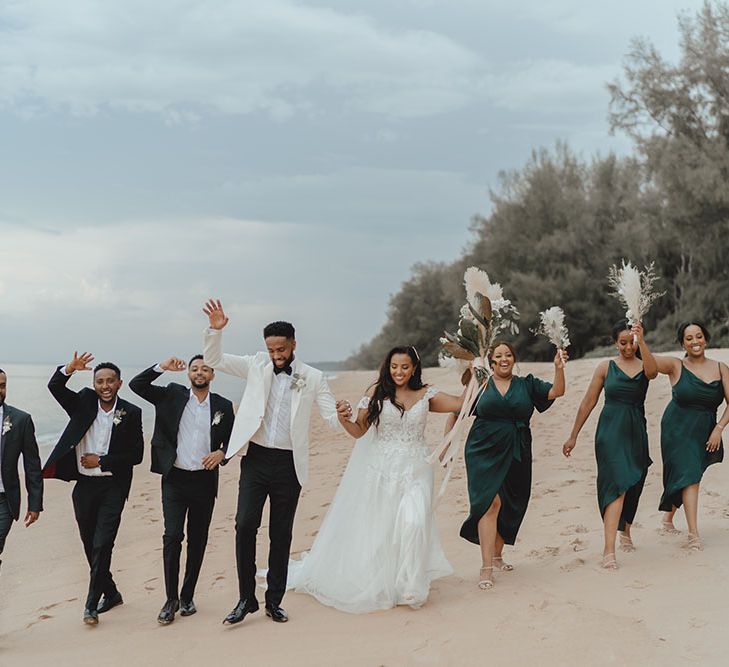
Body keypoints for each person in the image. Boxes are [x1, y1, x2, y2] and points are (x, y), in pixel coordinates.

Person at [287, 346, 463, 613]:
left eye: (404, 367)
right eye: (394, 367)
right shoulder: (376, 394)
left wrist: (476, 369)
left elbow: (464, 403)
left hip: (417, 468)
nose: (399, 372)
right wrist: (343, 418)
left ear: (414, 368)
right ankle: (385, 579)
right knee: (383, 527)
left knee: (414, 522)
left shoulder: (427, 395)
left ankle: (412, 584)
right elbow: (358, 431)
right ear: (387, 367)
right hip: (382, 469)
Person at [202, 299, 342, 625]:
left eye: (281, 349)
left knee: (281, 534)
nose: (276, 355)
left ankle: (274, 600)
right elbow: (213, 359)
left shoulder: (314, 377)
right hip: (256, 459)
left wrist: (348, 416)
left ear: (294, 344)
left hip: (290, 464)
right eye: (271, 349)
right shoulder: (255, 366)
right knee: (244, 525)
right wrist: (215, 330)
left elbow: (331, 417)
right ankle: (246, 598)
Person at [129, 355, 234, 625]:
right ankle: (170, 599)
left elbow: (233, 440)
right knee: (172, 537)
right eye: (195, 368)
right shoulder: (171, 395)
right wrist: (160, 367)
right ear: (188, 373)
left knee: (198, 540)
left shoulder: (223, 405)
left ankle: (187, 596)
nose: (200, 373)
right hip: (174, 479)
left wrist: (222, 453)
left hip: (203, 482)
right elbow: (136, 385)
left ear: (213, 375)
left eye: (205, 369)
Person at [43, 353, 144, 625]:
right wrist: (68, 369)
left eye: (111, 381)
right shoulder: (83, 402)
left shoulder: (132, 412)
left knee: (103, 543)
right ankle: (111, 593)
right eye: (100, 381)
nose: (105, 386)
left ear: (120, 383)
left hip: (113, 485)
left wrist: (103, 460)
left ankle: (90, 604)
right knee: (90, 544)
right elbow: (55, 387)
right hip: (84, 486)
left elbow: (137, 455)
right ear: (94, 383)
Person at [460, 341, 566, 590]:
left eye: (508, 354)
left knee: (511, 502)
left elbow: (556, 392)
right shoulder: (481, 383)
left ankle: (497, 556)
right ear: (491, 361)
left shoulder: (527, 384)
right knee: (490, 503)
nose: (504, 358)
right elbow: (459, 409)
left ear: (513, 359)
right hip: (483, 449)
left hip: (518, 449)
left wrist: (559, 368)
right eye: (498, 355)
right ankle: (486, 567)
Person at [562, 321, 656, 570]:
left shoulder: (644, 363)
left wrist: (642, 341)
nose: (627, 347)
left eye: (631, 342)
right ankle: (609, 550)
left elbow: (654, 373)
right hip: (610, 431)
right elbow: (588, 402)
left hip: (636, 429)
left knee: (635, 480)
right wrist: (573, 435)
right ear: (615, 342)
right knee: (616, 485)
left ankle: (626, 529)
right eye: (622, 342)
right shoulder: (605, 367)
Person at [641, 322, 729, 550]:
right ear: (682, 343)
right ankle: (693, 534)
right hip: (676, 429)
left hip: (705, 430)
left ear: (706, 340)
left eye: (698, 336)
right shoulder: (675, 365)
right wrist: (640, 341)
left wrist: (719, 428)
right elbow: (650, 366)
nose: (695, 341)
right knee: (690, 475)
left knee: (687, 474)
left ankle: (667, 519)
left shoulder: (721, 368)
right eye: (689, 338)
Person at [0, 368, 43, 573]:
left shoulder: (20, 420)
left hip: (4, 501)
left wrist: (34, 503)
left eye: (2, 386)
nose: (0, 390)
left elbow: (32, 465)